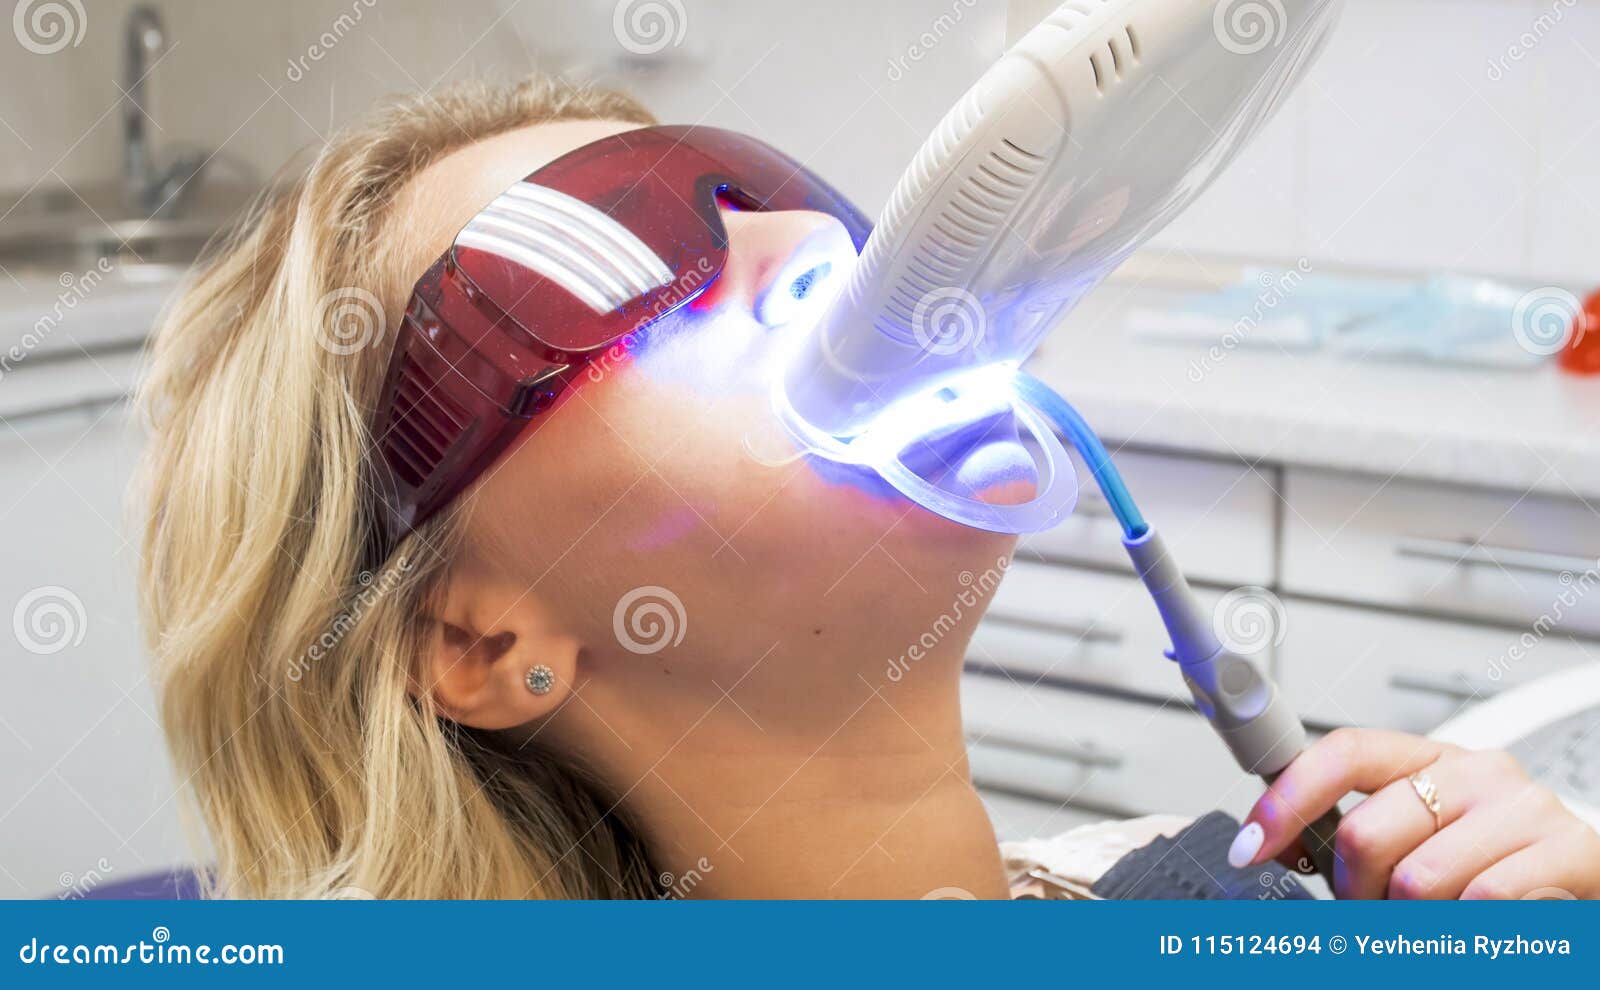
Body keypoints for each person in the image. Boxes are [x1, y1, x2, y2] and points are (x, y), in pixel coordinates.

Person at [135, 76, 1600, 900]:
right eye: (628, 254)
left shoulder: (1247, 900)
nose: (812, 255)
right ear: (478, 641)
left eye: (769, 190)